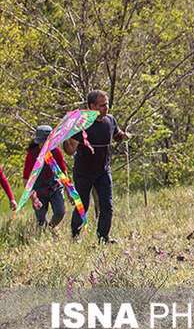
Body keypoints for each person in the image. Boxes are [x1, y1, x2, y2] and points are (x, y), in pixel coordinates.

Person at [63, 90, 131, 242]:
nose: (106, 108)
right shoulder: (81, 125)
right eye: (102, 105)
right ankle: (75, 236)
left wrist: (125, 136)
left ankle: (103, 238)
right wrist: (67, 136)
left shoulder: (110, 120)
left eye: (106, 104)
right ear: (91, 106)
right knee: (83, 206)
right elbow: (69, 150)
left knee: (107, 206)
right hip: (83, 173)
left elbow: (117, 135)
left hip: (103, 171)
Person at [23, 125, 69, 228]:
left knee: (60, 212)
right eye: (42, 142)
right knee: (41, 221)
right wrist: (33, 197)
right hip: (38, 189)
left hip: (54, 186)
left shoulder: (56, 152)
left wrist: (69, 191)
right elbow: (26, 179)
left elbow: (63, 173)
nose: (44, 145)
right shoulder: (32, 155)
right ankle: (44, 231)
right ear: (37, 142)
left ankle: (50, 228)